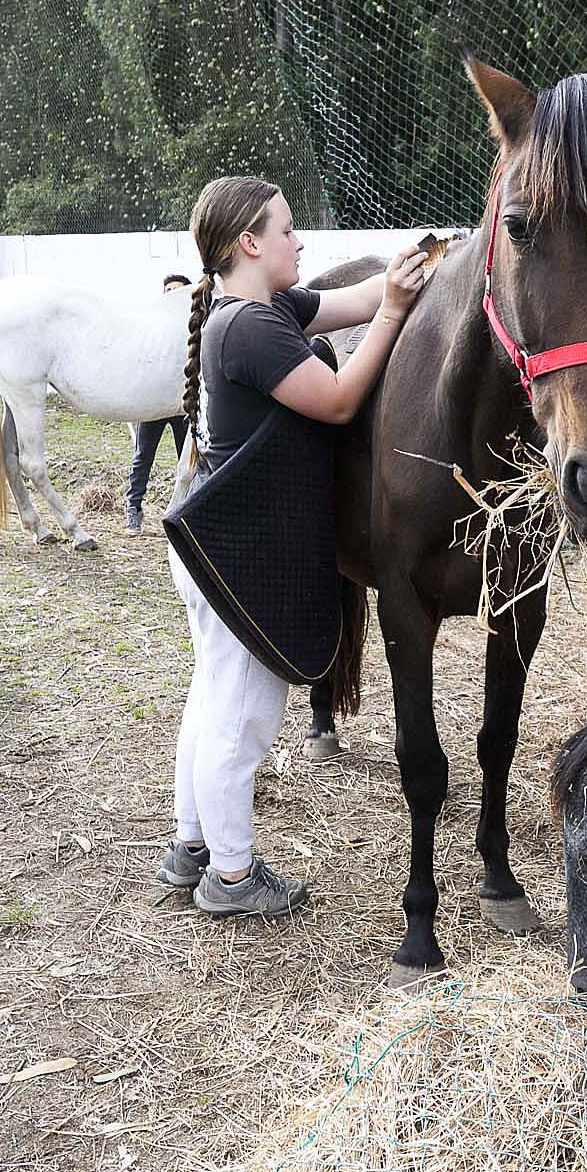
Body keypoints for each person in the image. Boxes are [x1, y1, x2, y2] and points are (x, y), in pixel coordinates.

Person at [156, 175, 429, 918]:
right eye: (285, 228)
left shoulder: (264, 308)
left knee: (211, 699)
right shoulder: (249, 327)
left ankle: (189, 847)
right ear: (249, 242)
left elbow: (360, 299)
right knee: (240, 720)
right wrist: (399, 310)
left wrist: (418, 269)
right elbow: (339, 404)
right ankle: (233, 878)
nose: (298, 240)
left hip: (213, 539)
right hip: (237, 552)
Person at [122, 273, 195, 534]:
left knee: (185, 459)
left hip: (182, 406)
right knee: (143, 457)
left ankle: (186, 510)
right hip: (152, 404)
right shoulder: (152, 328)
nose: (171, 295)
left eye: (177, 290)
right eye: (168, 291)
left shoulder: (195, 329)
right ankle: (133, 507)